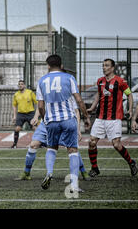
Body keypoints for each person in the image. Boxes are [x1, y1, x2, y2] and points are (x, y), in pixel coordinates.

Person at [36, 55, 90, 193]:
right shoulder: (69, 78)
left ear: (48, 66)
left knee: (51, 148)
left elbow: (41, 106)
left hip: (51, 120)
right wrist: (86, 117)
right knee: (73, 151)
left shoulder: (42, 80)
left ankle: (49, 173)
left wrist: (45, 119)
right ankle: (74, 185)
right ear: (61, 65)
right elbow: (79, 100)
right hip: (68, 119)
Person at [15, 99, 89, 181]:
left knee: (71, 148)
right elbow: (40, 104)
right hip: (46, 123)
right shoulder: (45, 87)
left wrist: (78, 128)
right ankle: (27, 172)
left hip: (64, 122)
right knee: (33, 145)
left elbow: (76, 111)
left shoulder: (68, 90)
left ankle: (83, 171)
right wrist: (36, 117)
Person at [86, 58, 137, 178]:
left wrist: (130, 109)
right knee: (91, 142)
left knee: (116, 145)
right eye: (103, 65)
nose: (104, 67)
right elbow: (98, 95)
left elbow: (129, 95)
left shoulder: (120, 81)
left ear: (112, 68)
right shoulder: (100, 81)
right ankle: (95, 168)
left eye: (107, 65)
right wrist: (92, 108)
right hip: (100, 118)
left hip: (114, 119)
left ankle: (131, 163)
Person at [11, 80, 38, 148]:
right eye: (19, 84)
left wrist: (36, 115)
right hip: (21, 114)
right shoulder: (16, 94)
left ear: (24, 85)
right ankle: (14, 144)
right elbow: (14, 105)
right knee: (17, 128)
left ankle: (38, 143)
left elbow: (37, 102)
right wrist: (14, 116)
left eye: (22, 84)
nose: (20, 85)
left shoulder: (30, 92)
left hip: (30, 113)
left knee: (35, 128)